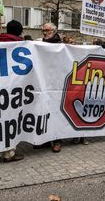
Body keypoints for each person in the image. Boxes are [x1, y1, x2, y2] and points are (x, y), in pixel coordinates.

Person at [0, 20, 25, 164]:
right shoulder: (20, 46)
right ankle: (9, 153)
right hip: (14, 89)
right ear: (19, 31)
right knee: (11, 121)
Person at [41, 22, 62, 152]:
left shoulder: (60, 46)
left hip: (56, 84)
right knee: (44, 111)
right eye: (43, 30)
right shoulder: (39, 44)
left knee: (55, 112)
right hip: (43, 83)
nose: (44, 33)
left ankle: (57, 140)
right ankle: (46, 139)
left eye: (47, 30)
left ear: (53, 31)